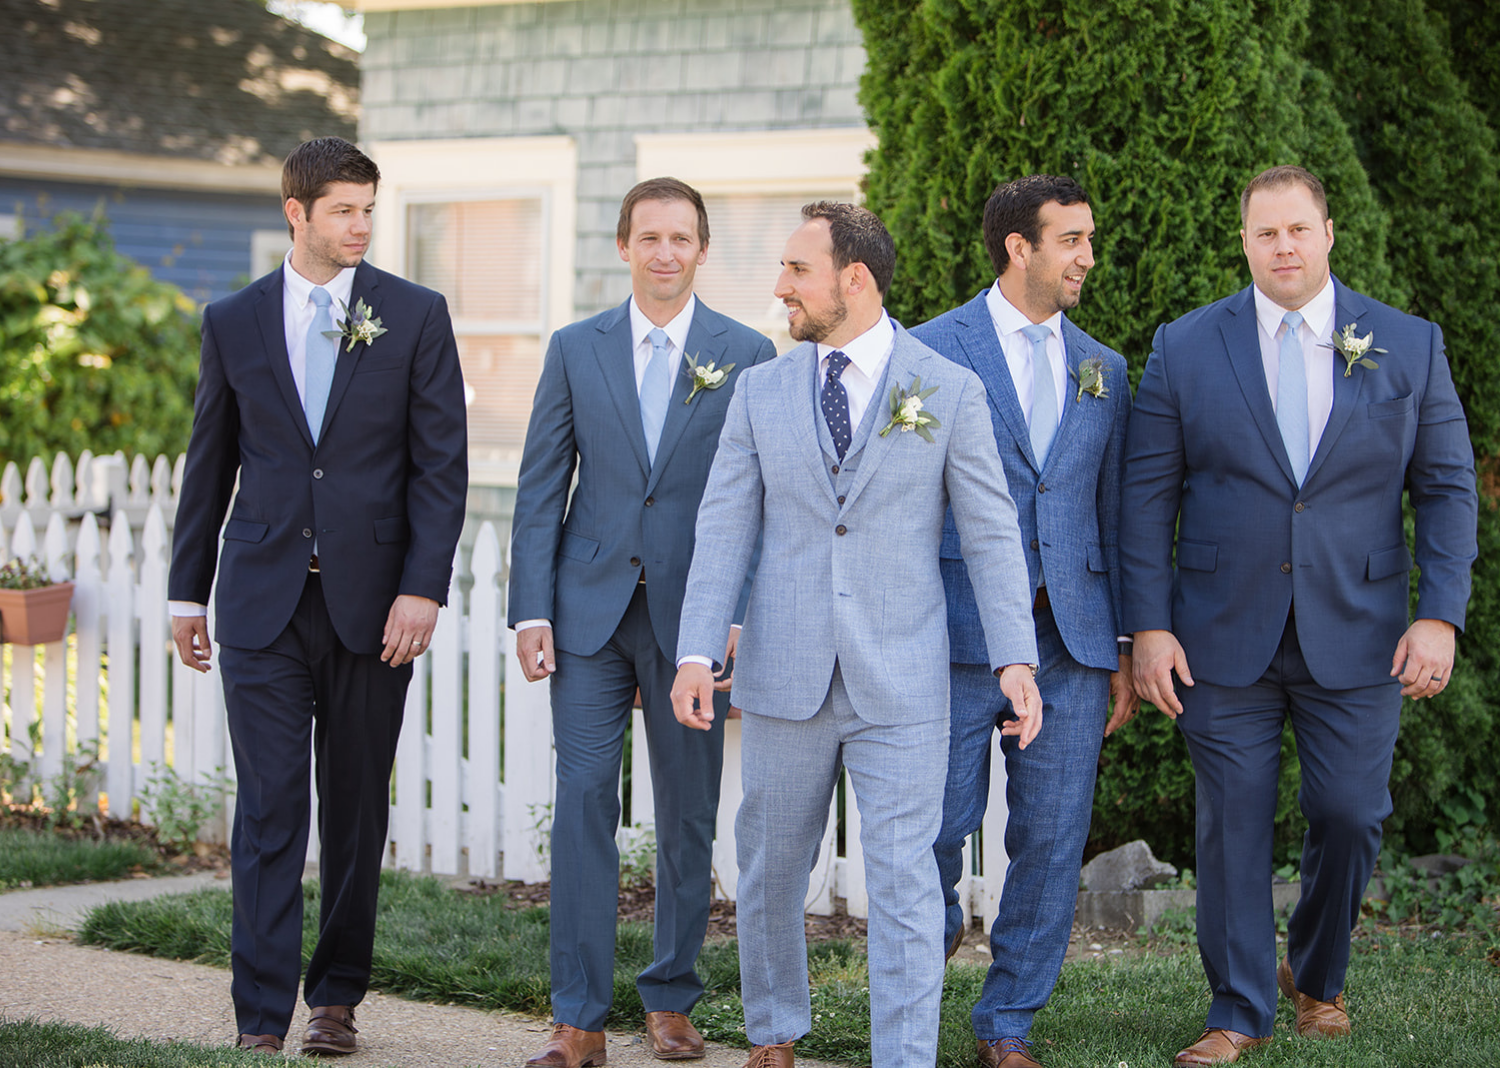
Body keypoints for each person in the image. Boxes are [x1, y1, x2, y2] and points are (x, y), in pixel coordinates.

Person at [1119, 165, 1477, 1067]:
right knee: (1232, 819)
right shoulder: (1187, 345)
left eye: (1298, 230)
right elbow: (1144, 497)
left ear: (1328, 233)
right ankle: (1237, 1010)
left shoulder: (1408, 343)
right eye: (1264, 232)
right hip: (1217, 631)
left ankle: (1317, 977)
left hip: (1358, 630)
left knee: (1352, 812)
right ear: (1243, 240)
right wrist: (1147, 627)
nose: (1282, 246)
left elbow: (1445, 488)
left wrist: (1441, 614)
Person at [671, 202, 1043, 1068]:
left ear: (855, 279)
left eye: (796, 270)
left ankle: (903, 1056)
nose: (779, 288)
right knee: (767, 870)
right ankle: (772, 1030)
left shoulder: (946, 387)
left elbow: (991, 533)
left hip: (902, 677)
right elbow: (724, 525)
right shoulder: (761, 391)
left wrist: (1015, 659)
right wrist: (696, 650)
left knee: (908, 881)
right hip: (783, 671)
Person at [168, 136, 469, 1056]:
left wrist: (422, 589)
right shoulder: (233, 320)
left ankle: (334, 998)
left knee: (352, 807)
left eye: (368, 209)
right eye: (343, 209)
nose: (361, 226)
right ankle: (259, 1015)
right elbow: (208, 463)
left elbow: (441, 468)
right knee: (266, 811)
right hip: (259, 600)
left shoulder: (414, 315)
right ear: (295, 213)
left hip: (373, 607)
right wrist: (189, 595)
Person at [507, 178, 776, 1067]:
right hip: (586, 612)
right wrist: (531, 608)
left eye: (682, 238)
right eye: (649, 236)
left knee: (688, 813)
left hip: (690, 621)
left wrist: (736, 615)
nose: (665, 252)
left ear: (703, 251)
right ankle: (577, 1018)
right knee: (583, 800)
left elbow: (763, 500)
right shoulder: (574, 349)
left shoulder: (746, 351)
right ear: (623, 245)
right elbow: (542, 485)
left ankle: (670, 996)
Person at [911, 174, 1137, 1068]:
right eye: (1073, 240)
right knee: (932, 823)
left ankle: (1008, 1024)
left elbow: (1113, 511)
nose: (1088, 256)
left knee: (1052, 835)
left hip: (1071, 637)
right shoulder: (928, 351)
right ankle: (915, 984)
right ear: (1019, 248)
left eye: (1089, 239)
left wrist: (1119, 644)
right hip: (958, 630)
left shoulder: (1105, 369)